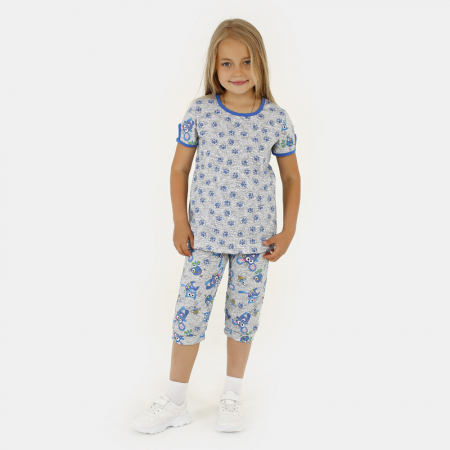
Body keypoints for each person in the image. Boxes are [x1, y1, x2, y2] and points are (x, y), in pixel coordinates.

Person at [131, 18, 301, 434]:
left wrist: (288, 231)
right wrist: (179, 221)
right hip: (204, 238)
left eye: (246, 61)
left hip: (256, 242)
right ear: (214, 66)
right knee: (188, 315)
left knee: (243, 317)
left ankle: (232, 394)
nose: (237, 71)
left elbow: (292, 178)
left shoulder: (276, 119)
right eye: (227, 63)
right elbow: (179, 170)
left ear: (260, 63)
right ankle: (175, 401)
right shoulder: (200, 112)